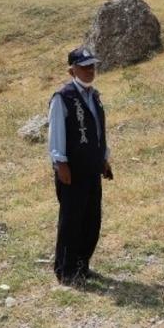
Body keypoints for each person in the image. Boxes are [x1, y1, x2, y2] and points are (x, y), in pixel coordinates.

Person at [48, 46, 114, 284]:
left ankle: (82, 264)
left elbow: (98, 130)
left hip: (92, 166)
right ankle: (65, 270)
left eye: (92, 66)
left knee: (92, 218)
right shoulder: (62, 97)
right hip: (71, 169)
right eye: (84, 67)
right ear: (71, 70)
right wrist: (60, 163)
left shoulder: (94, 96)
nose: (89, 71)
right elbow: (56, 132)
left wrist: (104, 159)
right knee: (71, 219)